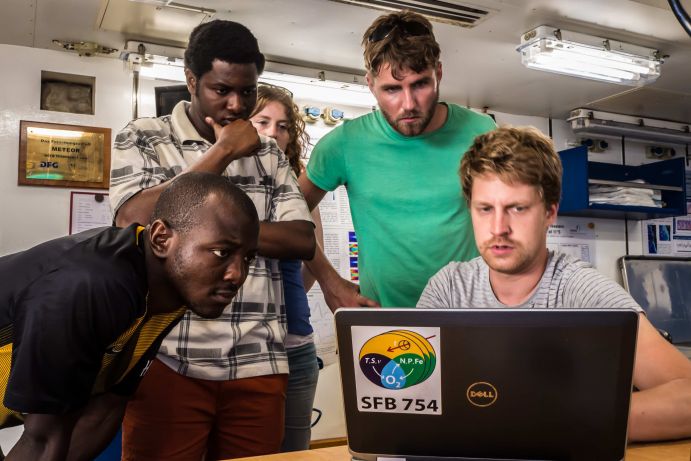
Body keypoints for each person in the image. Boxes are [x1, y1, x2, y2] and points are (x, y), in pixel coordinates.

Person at [109, 20, 315, 460]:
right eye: (222, 90)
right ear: (191, 82)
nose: (236, 105)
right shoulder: (144, 136)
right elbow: (130, 221)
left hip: (257, 361)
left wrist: (207, 236)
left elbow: (300, 239)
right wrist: (220, 153)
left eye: (248, 91)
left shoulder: (270, 154)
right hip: (165, 356)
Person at [417, 126, 691, 442]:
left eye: (517, 208)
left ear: (550, 212)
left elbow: (686, 397)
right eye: (485, 209)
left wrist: (557, 419)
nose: (498, 228)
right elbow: (414, 399)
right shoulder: (448, 289)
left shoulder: (583, 291)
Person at [0, 172, 259, 461]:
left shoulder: (169, 291)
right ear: (161, 238)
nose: (237, 274)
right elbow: (42, 440)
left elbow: (105, 408)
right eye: (222, 252)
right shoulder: (88, 285)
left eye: (247, 258)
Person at [299, 10, 496, 309]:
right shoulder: (344, 144)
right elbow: (289, 216)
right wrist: (329, 282)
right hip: (382, 320)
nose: (409, 104)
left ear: (438, 73)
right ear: (370, 84)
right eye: (392, 89)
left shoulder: (481, 132)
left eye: (420, 84)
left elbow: (513, 215)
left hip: (468, 315)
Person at [249, 85, 322, 451]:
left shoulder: (298, 186)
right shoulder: (230, 183)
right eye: (263, 121)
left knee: (295, 449)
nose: (273, 133)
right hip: (247, 349)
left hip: (296, 343)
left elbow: (313, 259)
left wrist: (282, 295)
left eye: (282, 126)